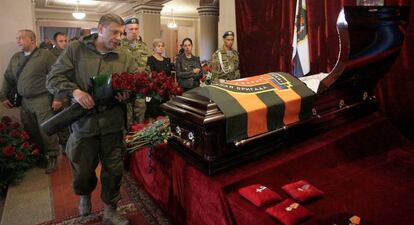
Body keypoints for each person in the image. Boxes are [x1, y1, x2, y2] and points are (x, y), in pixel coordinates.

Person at [46, 14, 137, 225]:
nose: (119, 37)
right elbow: (53, 79)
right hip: (84, 124)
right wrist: (75, 92)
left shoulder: (124, 55)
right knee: (83, 170)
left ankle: (110, 209)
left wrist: (129, 94)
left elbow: (136, 82)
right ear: (100, 29)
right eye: (115, 32)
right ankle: (85, 195)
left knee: (114, 170)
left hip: (113, 123)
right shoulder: (76, 49)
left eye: (122, 33)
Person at [0, 29, 60, 174]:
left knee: (46, 129)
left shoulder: (45, 55)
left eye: (21, 38)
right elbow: (8, 77)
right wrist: (3, 96)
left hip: (42, 98)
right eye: (17, 38)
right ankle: (39, 155)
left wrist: (58, 97)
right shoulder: (16, 58)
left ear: (32, 39)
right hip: (24, 101)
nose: (18, 40)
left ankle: (52, 156)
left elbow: (57, 76)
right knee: (30, 129)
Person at [119, 17, 149, 125]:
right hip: (125, 89)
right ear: (125, 30)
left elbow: (147, 66)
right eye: (131, 29)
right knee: (126, 119)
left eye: (136, 29)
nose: (134, 31)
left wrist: (146, 74)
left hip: (140, 89)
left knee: (140, 119)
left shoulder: (144, 46)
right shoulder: (119, 46)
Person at [146, 39, 172, 118]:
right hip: (155, 93)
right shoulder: (150, 59)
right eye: (158, 46)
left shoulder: (166, 61)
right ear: (154, 48)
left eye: (162, 46)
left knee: (165, 115)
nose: (161, 48)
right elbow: (150, 76)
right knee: (155, 115)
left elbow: (169, 75)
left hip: (166, 92)